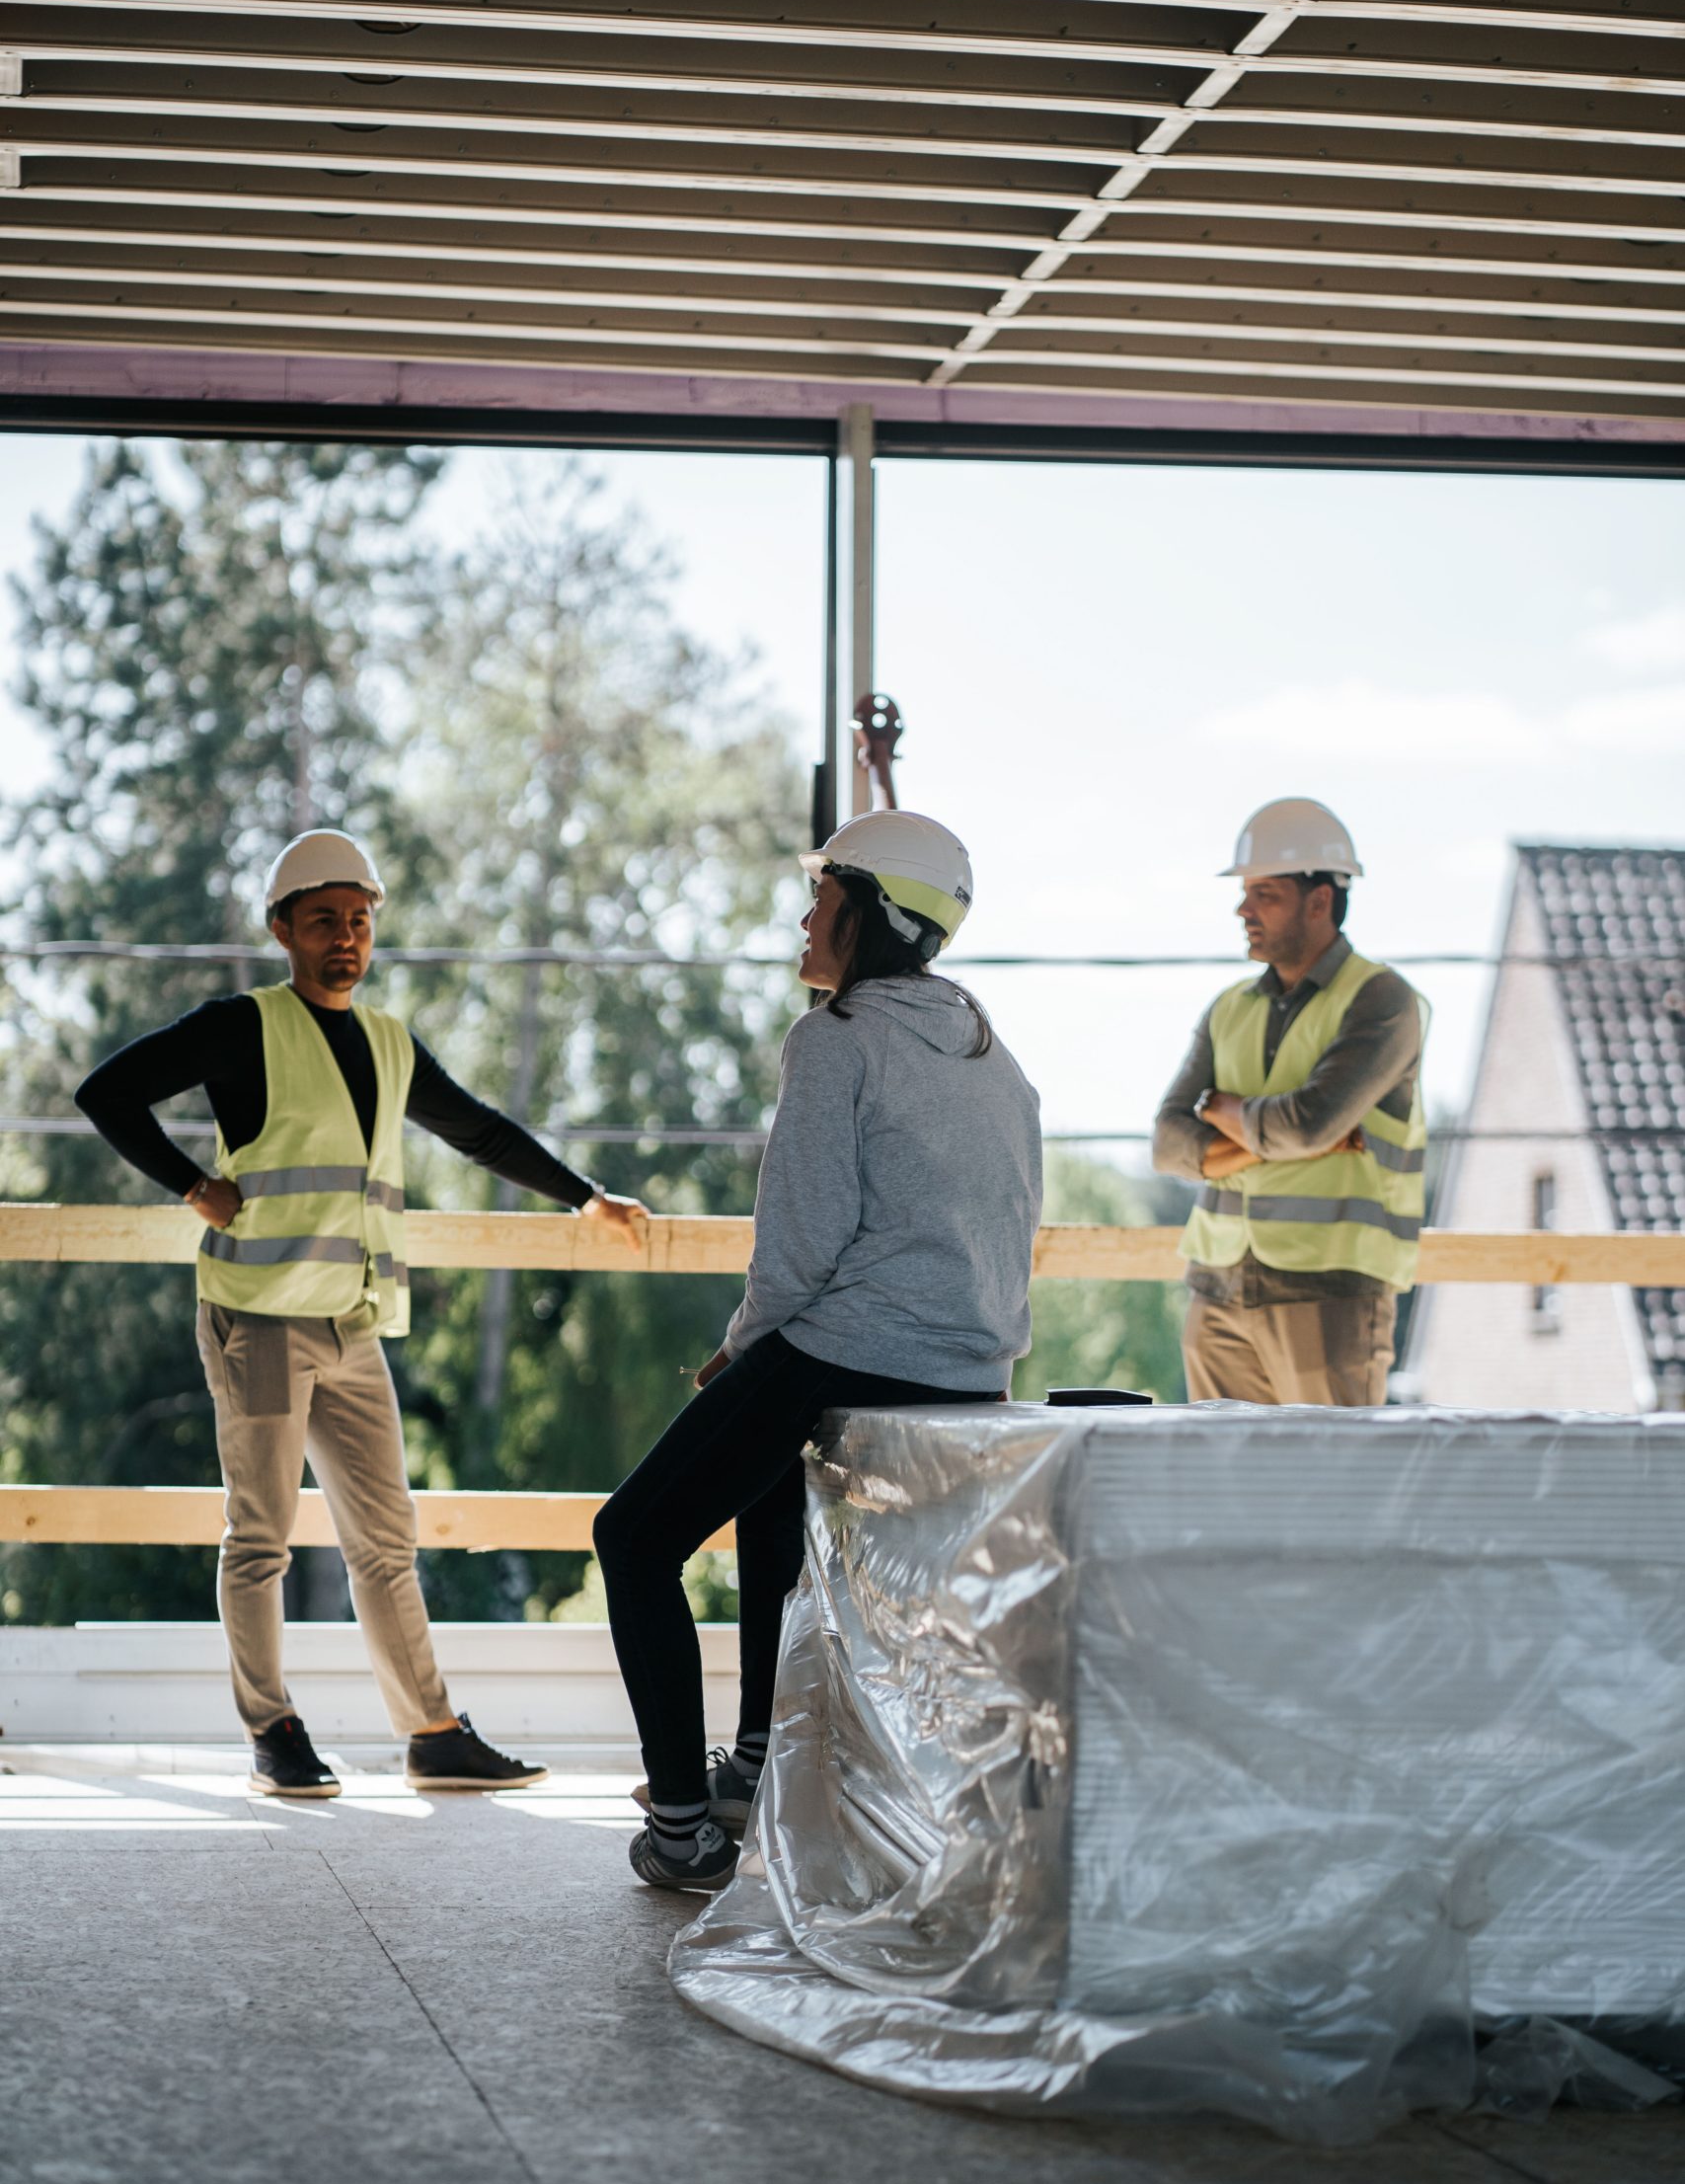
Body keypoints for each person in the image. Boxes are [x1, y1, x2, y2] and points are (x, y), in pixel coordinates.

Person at [76, 828, 648, 1799]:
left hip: (352, 1325)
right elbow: (107, 1092)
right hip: (256, 1317)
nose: (346, 937)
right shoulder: (240, 1023)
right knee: (259, 1537)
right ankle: (273, 1730)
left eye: (360, 921)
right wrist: (190, 1183)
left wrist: (584, 1194)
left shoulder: (387, 1041)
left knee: (387, 1537)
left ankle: (430, 1730)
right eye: (324, 922)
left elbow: (479, 1128)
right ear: (283, 930)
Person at [593, 810, 1042, 1892]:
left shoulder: (835, 1036)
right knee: (763, 1492)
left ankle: (685, 1826)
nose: (804, 916)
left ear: (871, 914)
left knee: (633, 1537)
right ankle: (754, 1765)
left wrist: (741, 1347)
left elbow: (800, 1242)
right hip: (972, 1367)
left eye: (822, 896)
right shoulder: (989, 1046)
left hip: (854, 1346)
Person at [1152, 799, 1427, 1408]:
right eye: (1246, 892)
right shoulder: (1229, 1008)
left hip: (1330, 1292)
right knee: (1226, 1491)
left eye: (1265, 894)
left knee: (1330, 1490)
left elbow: (1308, 1124)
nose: (1242, 909)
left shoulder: (1381, 1000)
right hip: (1217, 1290)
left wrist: (1222, 1111)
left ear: (1320, 900)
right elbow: (1168, 1144)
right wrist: (1281, 1137)